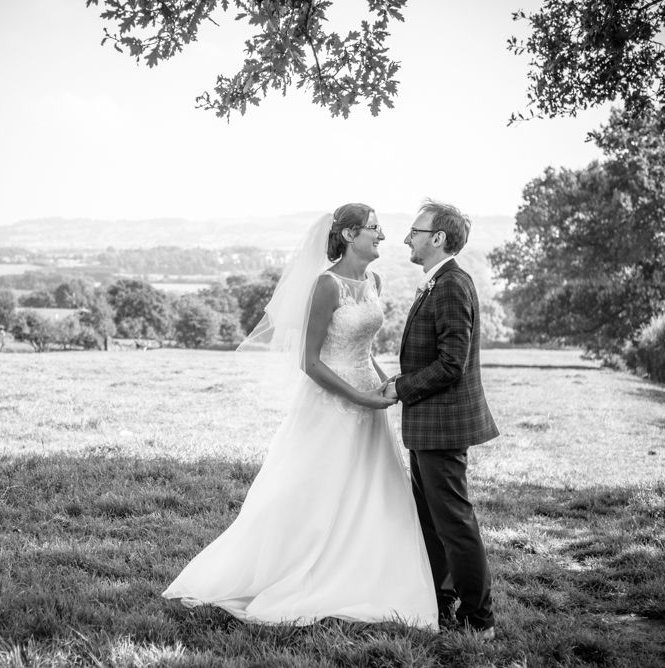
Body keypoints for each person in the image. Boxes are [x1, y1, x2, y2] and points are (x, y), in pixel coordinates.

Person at [162, 203, 437, 630]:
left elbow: (363, 349)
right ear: (349, 235)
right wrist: (359, 398)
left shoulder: (374, 281)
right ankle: (295, 570)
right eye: (374, 228)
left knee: (372, 489)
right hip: (332, 403)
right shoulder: (326, 285)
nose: (383, 235)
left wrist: (386, 384)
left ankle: (364, 570)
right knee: (318, 489)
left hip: (370, 399)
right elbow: (309, 362)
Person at [383, 199, 500, 637]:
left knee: (454, 522)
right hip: (428, 425)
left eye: (414, 231)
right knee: (433, 521)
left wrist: (401, 388)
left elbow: (452, 363)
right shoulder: (439, 281)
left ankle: (479, 619)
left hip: (442, 426)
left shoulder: (451, 285)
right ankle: (441, 602)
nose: (406, 239)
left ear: (437, 237)